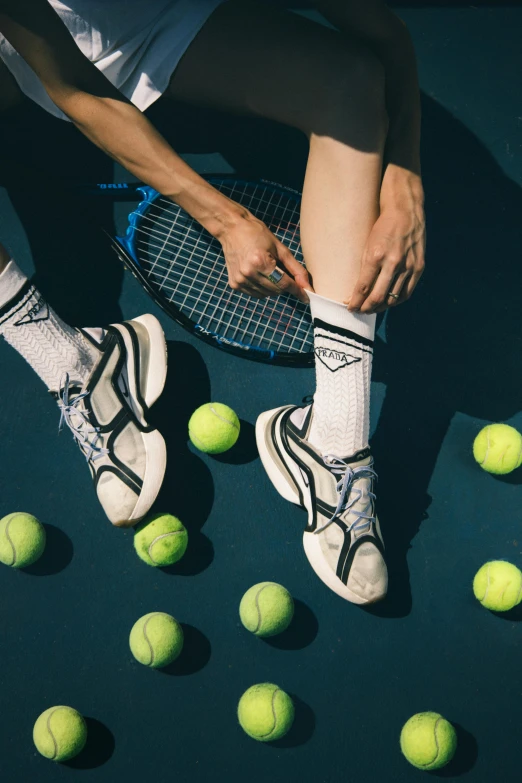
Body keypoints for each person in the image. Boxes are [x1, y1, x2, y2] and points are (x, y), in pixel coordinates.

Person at [0, 0, 425, 604]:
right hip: (23, 49)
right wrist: (223, 219)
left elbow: (383, 34)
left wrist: (406, 177)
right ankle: (73, 361)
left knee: (350, 79)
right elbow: (74, 88)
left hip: (168, 22)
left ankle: (333, 437)